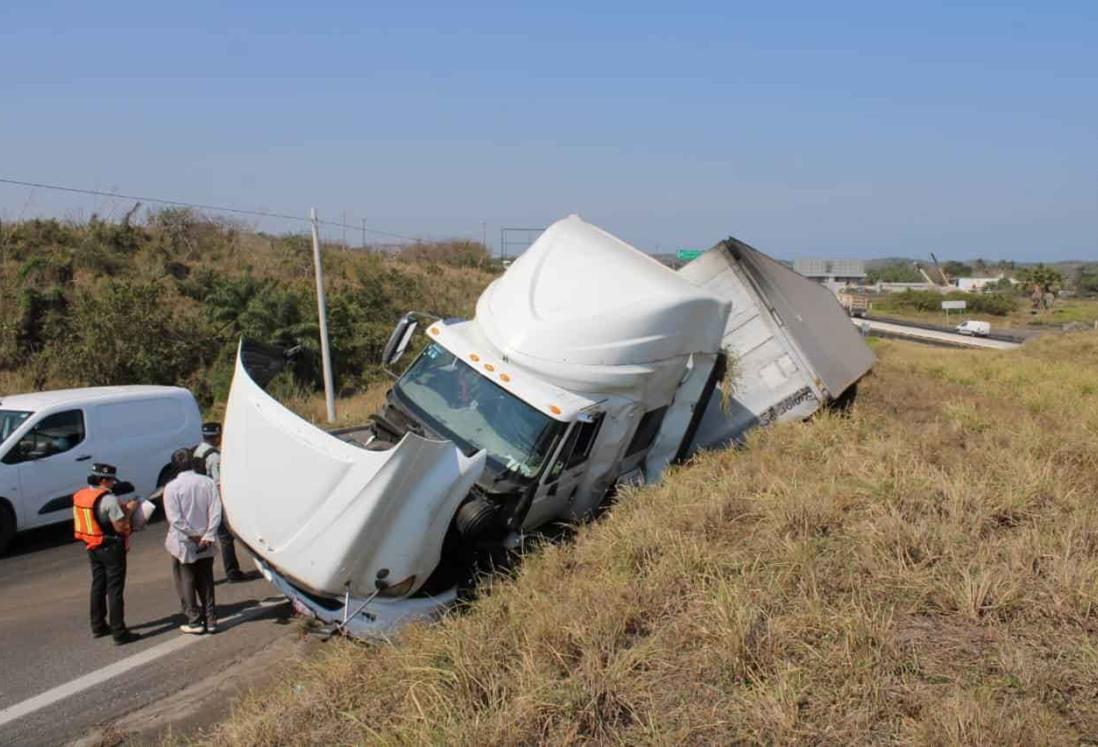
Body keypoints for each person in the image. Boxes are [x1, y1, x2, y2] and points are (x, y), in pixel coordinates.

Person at [73, 463, 141, 645]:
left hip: (92, 545)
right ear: (103, 480)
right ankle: (119, 632)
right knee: (115, 589)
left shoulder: (82, 495)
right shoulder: (108, 499)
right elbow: (122, 527)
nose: (112, 484)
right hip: (111, 547)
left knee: (98, 586)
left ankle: (98, 626)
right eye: (111, 480)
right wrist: (131, 510)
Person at [163, 448, 222, 634]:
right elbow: (216, 510)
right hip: (206, 540)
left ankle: (195, 620)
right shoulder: (207, 482)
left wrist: (194, 535)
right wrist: (208, 535)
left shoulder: (171, 488)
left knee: (186, 580)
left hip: (183, 542)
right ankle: (211, 619)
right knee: (206, 579)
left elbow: (175, 519)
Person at [193, 422, 246, 582]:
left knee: (200, 539)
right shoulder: (214, 457)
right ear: (216, 436)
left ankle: (199, 576)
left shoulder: (197, 451)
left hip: (200, 501)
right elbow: (218, 483)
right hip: (213, 501)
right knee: (225, 538)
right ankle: (232, 572)